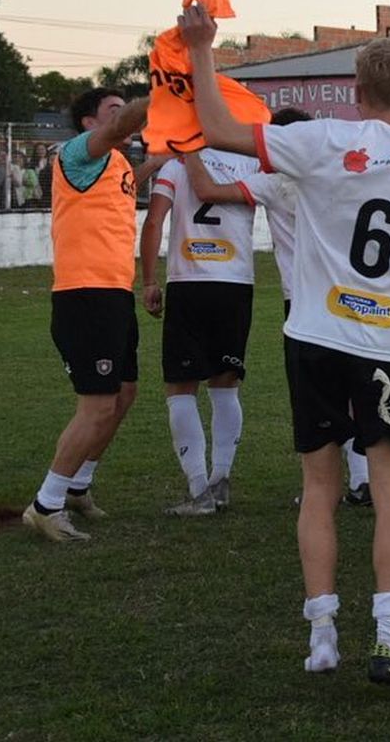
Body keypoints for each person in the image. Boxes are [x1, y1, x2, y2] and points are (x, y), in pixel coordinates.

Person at [181, 3, 390, 693]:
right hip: (386, 345)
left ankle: (321, 636)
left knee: (318, 487)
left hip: (315, 336)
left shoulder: (318, 141)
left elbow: (221, 129)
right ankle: (386, 639)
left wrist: (204, 49)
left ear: (356, 92)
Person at [181, 110, 374, 506]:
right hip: (351, 299)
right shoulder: (338, 175)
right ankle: (363, 478)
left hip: (303, 304)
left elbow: (208, 191)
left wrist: (188, 151)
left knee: (315, 398)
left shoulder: (272, 181)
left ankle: (324, 486)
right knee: (355, 389)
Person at [22, 88, 152, 542]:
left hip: (114, 293)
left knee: (124, 394)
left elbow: (136, 175)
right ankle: (45, 504)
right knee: (97, 405)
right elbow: (124, 126)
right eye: (113, 111)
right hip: (85, 294)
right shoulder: (75, 154)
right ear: (88, 124)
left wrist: (179, 151)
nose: (124, 119)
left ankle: (77, 486)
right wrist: (166, 94)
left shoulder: (114, 165)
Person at [140, 144, 262, 516]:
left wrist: (148, 281)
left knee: (180, 387)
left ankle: (198, 491)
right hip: (237, 283)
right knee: (226, 385)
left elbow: (154, 221)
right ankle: (220, 482)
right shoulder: (249, 162)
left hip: (190, 281)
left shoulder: (177, 164)